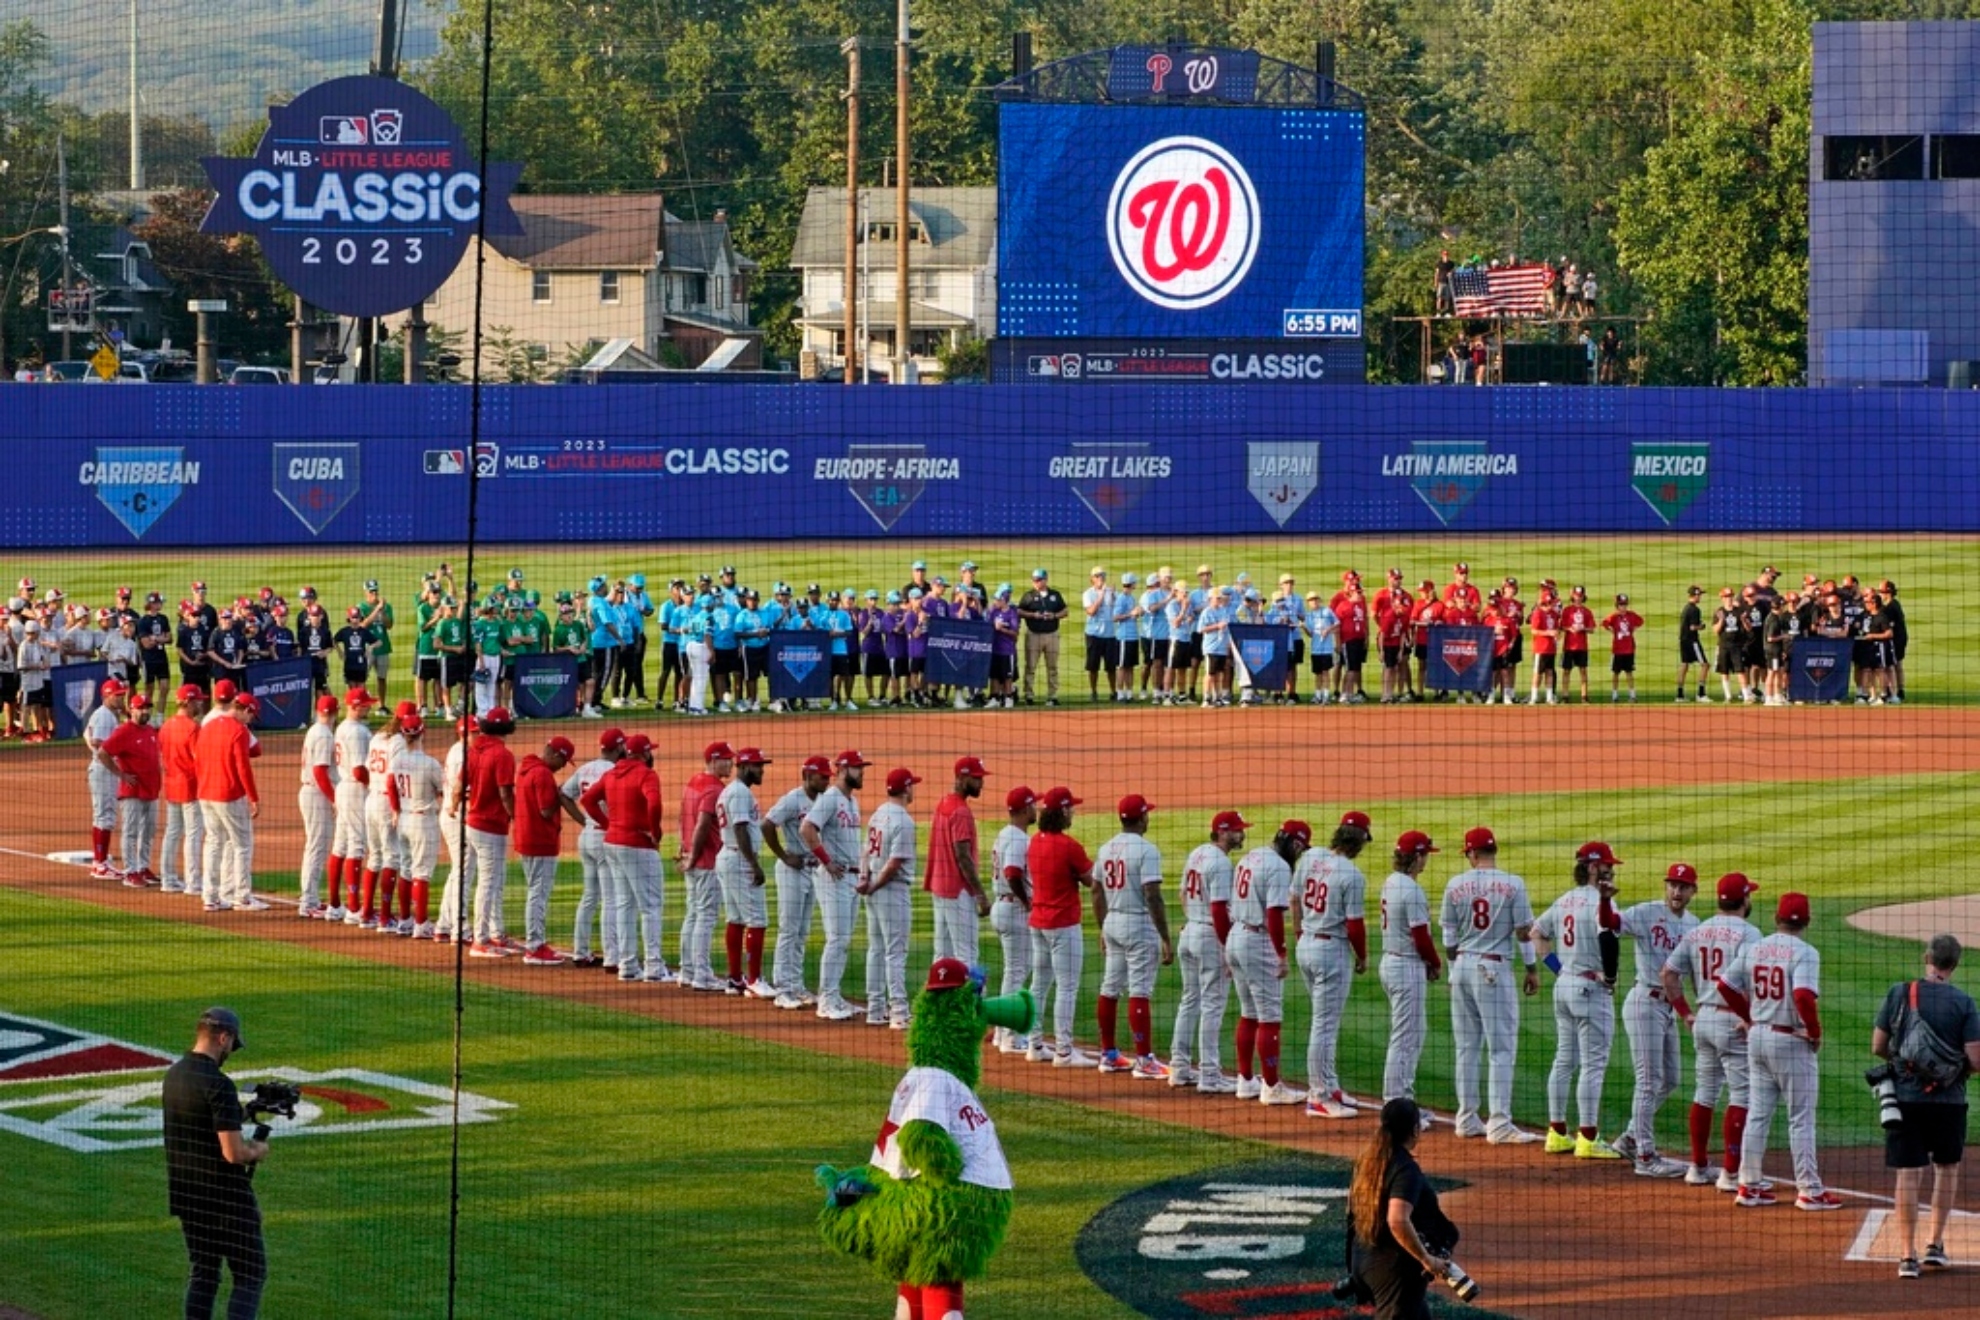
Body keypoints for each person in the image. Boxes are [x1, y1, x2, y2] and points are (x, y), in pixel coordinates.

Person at [1716, 892, 1844, 1210]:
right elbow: (1802, 996)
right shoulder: (1806, 952)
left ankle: (1749, 1185)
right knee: (1800, 1118)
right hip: (1790, 1041)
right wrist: (1814, 1032)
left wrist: (1749, 1018)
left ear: (1776, 918)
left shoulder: (1755, 947)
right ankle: (1810, 1190)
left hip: (1758, 1038)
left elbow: (1725, 987)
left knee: (1758, 1113)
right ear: (1808, 921)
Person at [1872, 934, 1980, 1278]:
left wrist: (1907, 1065)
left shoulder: (1898, 992)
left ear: (1926, 957)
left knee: (1908, 1173)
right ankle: (1935, 1245)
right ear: (1955, 964)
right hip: (1950, 1101)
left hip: (1905, 1100)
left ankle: (1907, 1255)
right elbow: (1976, 1060)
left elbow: (1878, 1046)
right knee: (1946, 1169)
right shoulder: (1964, 1002)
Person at [1661, 872, 1764, 1188]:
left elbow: (1668, 974)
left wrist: (1686, 1014)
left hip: (1703, 1019)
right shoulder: (1750, 934)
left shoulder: (1697, 931)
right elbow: (1752, 983)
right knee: (1742, 1093)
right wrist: (1749, 1018)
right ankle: (1731, 1174)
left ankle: (1697, 1166)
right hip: (1733, 1021)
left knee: (1704, 1091)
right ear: (1744, 899)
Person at [163, 1007, 267, 1320]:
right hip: (225, 1200)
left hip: (188, 1197)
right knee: (250, 1275)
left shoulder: (175, 1074)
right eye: (231, 1046)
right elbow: (233, 1153)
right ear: (223, 1038)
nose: (229, 1054)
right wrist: (256, 1150)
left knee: (204, 1273)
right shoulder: (218, 1084)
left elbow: (201, 1121)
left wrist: (244, 1112)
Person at [1440, 826, 1540, 1143]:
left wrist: (1452, 973)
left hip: (1463, 967)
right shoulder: (1513, 884)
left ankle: (1467, 1118)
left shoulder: (1455, 884)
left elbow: (1449, 936)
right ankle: (1498, 1122)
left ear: (1472, 853)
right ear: (1493, 851)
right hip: (1493, 969)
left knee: (1467, 1047)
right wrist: (1531, 968)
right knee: (1501, 1047)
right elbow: (1524, 932)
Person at [1531, 842, 1626, 1159]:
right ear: (1591, 867)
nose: (1611, 870)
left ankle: (1556, 1133)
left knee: (1564, 1059)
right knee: (1593, 1064)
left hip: (1565, 986)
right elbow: (1607, 939)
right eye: (1606, 865)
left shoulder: (1564, 900)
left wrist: (1558, 969)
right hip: (1590, 989)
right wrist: (1609, 977)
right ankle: (1588, 1137)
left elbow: (1536, 933)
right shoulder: (1601, 904)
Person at [1614, 862, 1700, 1178]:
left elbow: (1692, 974)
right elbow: (1611, 923)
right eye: (1672, 885)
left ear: (1693, 891)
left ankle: (1630, 1137)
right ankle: (1645, 1157)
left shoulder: (1695, 925)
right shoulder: (1646, 912)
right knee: (1648, 1081)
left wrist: (1691, 1010)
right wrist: (1604, 898)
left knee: (1671, 1079)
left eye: (1683, 886)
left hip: (1668, 1007)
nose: (1676, 891)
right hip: (1644, 1003)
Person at [1347, 1098, 1460, 1320]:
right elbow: (1397, 1220)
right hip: (1394, 1271)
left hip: (1364, 1258)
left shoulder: (1368, 1161)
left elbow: (1351, 1209)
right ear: (1415, 1130)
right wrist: (1427, 1259)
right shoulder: (1406, 1170)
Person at [1228, 819, 1310, 1105]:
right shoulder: (1279, 867)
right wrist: (1282, 953)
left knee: (1248, 1012)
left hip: (1236, 934)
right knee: (1270, 1016)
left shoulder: (1252, 855)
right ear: (1295, 843)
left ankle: (1245, 1080)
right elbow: (1275, 915)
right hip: (1257, 939)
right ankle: (1272, 1086)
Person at [1298, 810, 1374, 1119]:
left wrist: (1300, 934)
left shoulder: (1310, 860)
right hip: (1331, 950)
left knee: (1323, 1021)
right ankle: (1318, 1096)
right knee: (1325, 1025)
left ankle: (1329, 1085)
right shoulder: (1351, 875)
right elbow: (1355, 924)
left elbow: (1293, 900)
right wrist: (1363, 955)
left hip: (1306, 943)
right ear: (1359, 842)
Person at [1093, 794, 1173, 1080]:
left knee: (1110, 987)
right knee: (1139, 991)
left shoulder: (1105, 849)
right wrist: (1165, 936)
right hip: (1138, 923)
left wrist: (1103, 927)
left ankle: (1109, 1054)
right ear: (1141, 818)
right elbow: (1153, 895)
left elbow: (1095, 891)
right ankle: (1144, 1060)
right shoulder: (1147, 851)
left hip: (1113, 921)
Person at [580, 731, 670, 983]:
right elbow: (654, 803)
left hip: (612, 843)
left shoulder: (611, 774)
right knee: (651, 906)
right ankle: (654, 966)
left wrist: (608, 824)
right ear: (644, 754)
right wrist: (655, 831)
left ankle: (627, 965)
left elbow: (587, 800)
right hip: (638, 844)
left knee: (624, 904)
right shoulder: (647, 774)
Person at [1025, 786, 1098, 1067]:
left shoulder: (1035, 842)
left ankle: (1034, 1044)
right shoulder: (1069, 846)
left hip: (1038, 923)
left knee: (1039, 985)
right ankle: (1065, 1052)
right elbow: (1092, 880)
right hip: (1063, 924)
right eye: (1071, 808)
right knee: (1067, 987)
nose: (1074, 813)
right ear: (1063, 811)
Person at [802, 749, 870, 1020]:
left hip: (851, 877)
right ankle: (826, 1000)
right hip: (834, 878)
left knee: (843, 940)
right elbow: (807, 828)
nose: (862, 772)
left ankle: (834, 995)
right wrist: (826, 861)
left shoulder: (850, 801)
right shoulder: (830, 799)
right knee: (837, 939)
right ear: (841, 770)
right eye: (857, 768)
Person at [1379, 831, 1443, 1114]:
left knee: (1411, 1033)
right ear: (1417, 857)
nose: (1427, 859)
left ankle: (1404, 1102)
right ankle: (1396, 1103)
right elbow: (1421, 936)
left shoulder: (1391, 882)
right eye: (1426, 854)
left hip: (1392, 962)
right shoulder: (1411, 889)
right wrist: (1434, 962)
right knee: (1406, 1037)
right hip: (1406, 965)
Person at [764, 754, 829, 1008]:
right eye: (821, 776)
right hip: (792, 868)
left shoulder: (824, 800)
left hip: (812, 868)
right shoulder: (793, 799)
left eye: (827, 777)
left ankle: (797, 984)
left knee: (802, 931)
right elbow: (767, 824)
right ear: (807, 776)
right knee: (788, 929)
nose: (826, 780)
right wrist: (782, 855)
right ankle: (783, 989)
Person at [558, 728, 623, 968]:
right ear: (618, 748)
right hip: (605, 837)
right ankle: (613, 957)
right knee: (610, 899)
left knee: (589, 896)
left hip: (587, 836)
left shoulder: (586, 768)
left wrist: (584, 820)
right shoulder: (615, 771)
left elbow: (563, 794)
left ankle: (580, 952)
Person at [862, 767, 921, 1029]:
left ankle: (875, 1008)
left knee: (876, 949)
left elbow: (865, 852)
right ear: (906, 788)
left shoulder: (879, 813)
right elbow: (895, 862)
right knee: (895, 953)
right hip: (891, 889)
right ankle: (899, 1011)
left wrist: (865, 879)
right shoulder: (903, 820)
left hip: (873, 887)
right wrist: (874, 885)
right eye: (912, 785)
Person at [196, 683, 263, 913]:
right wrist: (253, 797)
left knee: (214, 842)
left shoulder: (209, 725)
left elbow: (198, 758)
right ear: (246, 710)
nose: (251, 721)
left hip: (205, 792)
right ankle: (242, 896)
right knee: (242, 844)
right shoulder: (239, 731)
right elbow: (243, 767)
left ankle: (211, 897)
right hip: (228, 793)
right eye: (252, 716)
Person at [715, 747, 775, 996]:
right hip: (739, 859)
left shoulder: (731, 791)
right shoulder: (739, 793)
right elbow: (740, 829)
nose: (762, 770)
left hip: (728, 856)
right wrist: (754, 864)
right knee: (757, 920)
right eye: (758, 765)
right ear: (745, 766)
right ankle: (753, 980)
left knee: (736, 919)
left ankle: (735, 979)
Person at [512, 734, 575, 965]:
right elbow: (547, 811)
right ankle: (535, 946)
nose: (561, 767)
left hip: (526, 837)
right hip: (540, 840)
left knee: (535, 891)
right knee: (538, 894)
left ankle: (535, 943)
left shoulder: (526, 768)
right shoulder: (543, 774)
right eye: (563, 762)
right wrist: (561, 796)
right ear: (556, 755)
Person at [461, 706, 518, 957]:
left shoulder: (473, 750)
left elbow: (462, 783)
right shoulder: (502, 755)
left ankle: (494, 933)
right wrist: (518, 815)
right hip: (491, 826)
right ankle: (480, 940)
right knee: (488, 883)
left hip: (473, 821)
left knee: (493, 881)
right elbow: (505, 792)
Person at [677, 741, 734, 990]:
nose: (731, 763)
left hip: (693, 858)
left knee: (693, 914)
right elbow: (702, 824)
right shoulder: (714, 788)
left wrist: (685, 848)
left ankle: (687, 971)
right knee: (706, 917)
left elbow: (683, 817)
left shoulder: (694, 781)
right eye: (726, 759)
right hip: (707, 861)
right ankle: (702, 974)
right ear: (713, 760)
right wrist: (695, 854)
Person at [926, 756, 992, 964]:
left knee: (942, 955)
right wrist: (981, 894)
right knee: (967, 953)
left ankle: (937, 996)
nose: (981, 783)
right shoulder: (961, 811)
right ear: (962, 778)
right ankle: (969, 997)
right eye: (977, 778)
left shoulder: (944, 803)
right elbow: (962, 856)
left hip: (940, 887)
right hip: (958, 890)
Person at [386, 717, 446, 939]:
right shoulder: (430, 763)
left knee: (406, 869)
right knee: (421, 873)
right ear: (423, 732)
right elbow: (443, 792)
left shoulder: (398, 759)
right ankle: (421, 923)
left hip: (403, 818)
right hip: (423, 820)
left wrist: (395, 810)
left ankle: (404, 920)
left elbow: (390, 785)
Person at [990, 786, 1038, 1053]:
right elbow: (1012, 872)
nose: (1036, 810)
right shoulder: (1019, 838)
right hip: (1013, 907)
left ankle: (1000, 1032)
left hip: (1003, 905)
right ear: (1023, 810)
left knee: (1016, 969)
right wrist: (1027, 900)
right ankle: (1009, 1036)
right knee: (1017, 971)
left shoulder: (1005, 834)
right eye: (1033, 805)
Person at [101, 692, 163, 888]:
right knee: (131, 831)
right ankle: (130, 871)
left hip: (151, 790)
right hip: (132, 792)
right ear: (132, 710)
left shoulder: (151, 731)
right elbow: (103, 752)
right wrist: (120, 775)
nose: (145, 711)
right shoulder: (124, 731)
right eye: (141, 708)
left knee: (149, 831)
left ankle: (143, 867)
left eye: (147, 708)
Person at [159, 684, 206, 896]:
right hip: (190, 785)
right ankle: (193, 882)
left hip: (171, 783)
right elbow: (200, 760)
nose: (201, 703)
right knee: (194, 834)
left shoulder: (166, 725)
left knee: (172, 832)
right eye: (197, 700)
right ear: (188, 702)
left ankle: (167, 879)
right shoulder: (193, 728)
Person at [295, 695, 339, 917]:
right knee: (317, 846)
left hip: (311, 791)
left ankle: (310, 898)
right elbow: (320, 772)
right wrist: (334, 799)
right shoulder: (324, 735)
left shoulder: (315, 729)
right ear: (335, 713)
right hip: (316, 793)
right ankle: (308, 901)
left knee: (316, 845)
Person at [84, 678, 131, 877]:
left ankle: (99, 861)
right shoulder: (105, 716)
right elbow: (98, 743)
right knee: (105, 816)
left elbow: (87, 735)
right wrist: (119, 768)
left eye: (122, 695)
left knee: (104, 815)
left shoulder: (107, 714)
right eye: (117, 695)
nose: (121, 698)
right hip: (105, 769)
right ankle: (100, 864)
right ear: (106, 696)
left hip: (102, 768)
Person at [1016, 568, 1066, 706]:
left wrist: (1054, 616)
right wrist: (1033, 615)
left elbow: (1065, 610)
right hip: (1033, 635)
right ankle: (1028, 695)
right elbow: (1019, 611)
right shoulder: (1028, 596)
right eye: (1034, 580)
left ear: (1045, 580)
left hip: (1052, 635)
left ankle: (1053, 696)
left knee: (1052, 667)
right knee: (1030, 666)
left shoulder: (1055, 595)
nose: (1036, 582)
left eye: (1038, 580)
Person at [1676, 586, 1710, 702]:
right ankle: (1701, 694)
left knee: (1684, 665)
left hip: (1683, 640)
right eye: (1699, 595)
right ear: (1694, 595)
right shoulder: (1695, 609)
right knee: (1705, 665)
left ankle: (1679, 695)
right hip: (1692, 641)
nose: (1700, 597)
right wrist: (1702, 626)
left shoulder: (1686, 608)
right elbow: (1692, 627)